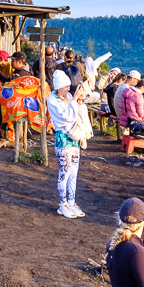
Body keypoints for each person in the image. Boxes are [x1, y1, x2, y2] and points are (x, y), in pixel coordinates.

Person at [47, 70, 90, 218]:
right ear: (58, 87)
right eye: (65, 86)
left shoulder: (69, 97)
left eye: (68, 86)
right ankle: (63, 204)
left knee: (73, 174)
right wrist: (74, 100)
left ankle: (71, 202)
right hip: (63, 139)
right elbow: (66, 117)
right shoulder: (52, 100)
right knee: (64, 174)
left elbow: (79, 114)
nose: (67, 89)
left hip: (74, 138)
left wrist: (79, 100)